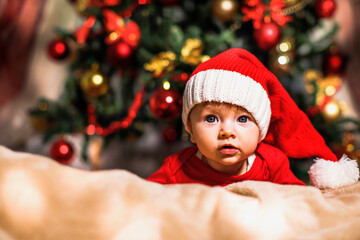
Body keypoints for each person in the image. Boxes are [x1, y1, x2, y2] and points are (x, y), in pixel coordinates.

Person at [147, 48, 359, 189]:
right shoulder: (176, 169)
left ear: (261, 130)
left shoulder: (271, 164)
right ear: (190, 130)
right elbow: (142, 199)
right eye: (211, 119)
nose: (227, 132)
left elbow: (298, 202)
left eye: (243, 119)